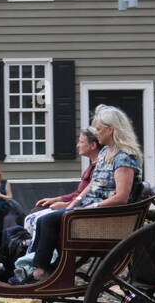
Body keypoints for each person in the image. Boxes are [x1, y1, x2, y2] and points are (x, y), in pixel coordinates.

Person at [20, 106, 142, 283]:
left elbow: (122, 197)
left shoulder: (124, 157)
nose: (96, 133)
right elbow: (93, 184)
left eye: (99, 129)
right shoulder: (105, 153)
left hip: (105, 215)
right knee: (47, 218)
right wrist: (74, 204)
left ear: (111, 129)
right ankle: (43, 267)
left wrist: (94, 206)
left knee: (48, 220)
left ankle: (40, 272)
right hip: (88, 209)